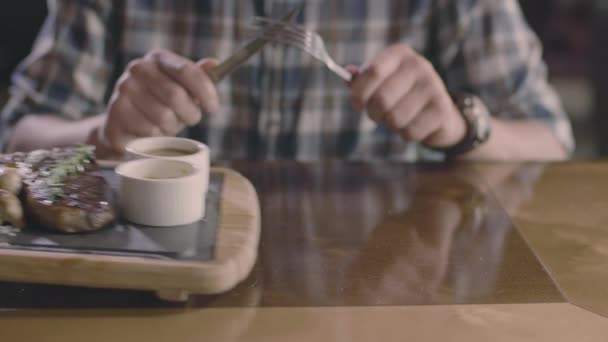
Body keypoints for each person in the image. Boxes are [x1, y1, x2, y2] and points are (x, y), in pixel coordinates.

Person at [0, 0, 574, 161]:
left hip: (384, 296)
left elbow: (550, 141)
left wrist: (459, 127)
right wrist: (104, 132)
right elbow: (17, 135)